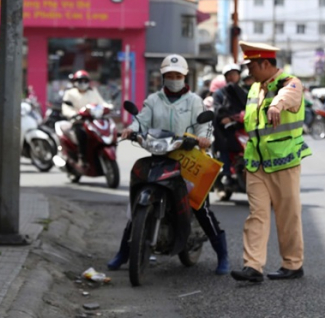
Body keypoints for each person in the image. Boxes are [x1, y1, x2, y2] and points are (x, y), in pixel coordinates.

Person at [109, 54, 230, 275]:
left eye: (177, 75)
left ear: (184, 77)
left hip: (186, 158)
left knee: (199, 206)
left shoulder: (194, 101)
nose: (173, 79)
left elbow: (204, 125)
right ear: (163, 77)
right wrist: (131, 130)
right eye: (169, 75)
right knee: (136, 203)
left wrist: (203, 138)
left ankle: (222, 254)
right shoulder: (153, 100)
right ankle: (123, 252)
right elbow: (141, 121)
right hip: (159, 156)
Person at [230, 41, 312, 283]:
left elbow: (288, 95)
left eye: (251, 66)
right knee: (256, 215)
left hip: (283, 162)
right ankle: (253, 267)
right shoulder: (255, 89)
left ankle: (292, 264)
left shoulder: (290, 83)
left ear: (265, 63)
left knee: (288, 216)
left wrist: (276, 104)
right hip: (256, 164)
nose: (249, 72)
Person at [213, 64, 248, 186]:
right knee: (224, 145)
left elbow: (250, 107)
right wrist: (224, 118)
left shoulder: (244, 92)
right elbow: (217, 109)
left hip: (243, 127)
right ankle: (226, 173)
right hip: (226, 129)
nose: (232, 77)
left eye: (234, 74)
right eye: (229, 75)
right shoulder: (219, 94)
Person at [61, 70, 105, 168]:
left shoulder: (93, 92)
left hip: (94, 120)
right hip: (78, 121)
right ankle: (82, 157)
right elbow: (66, 108)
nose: (83, 83)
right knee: (81, 133)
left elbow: (102, 103)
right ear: (75, 81)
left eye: (85, 81)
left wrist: (108, 107)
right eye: (80, 81)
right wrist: (73, 114)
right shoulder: (70, 93)